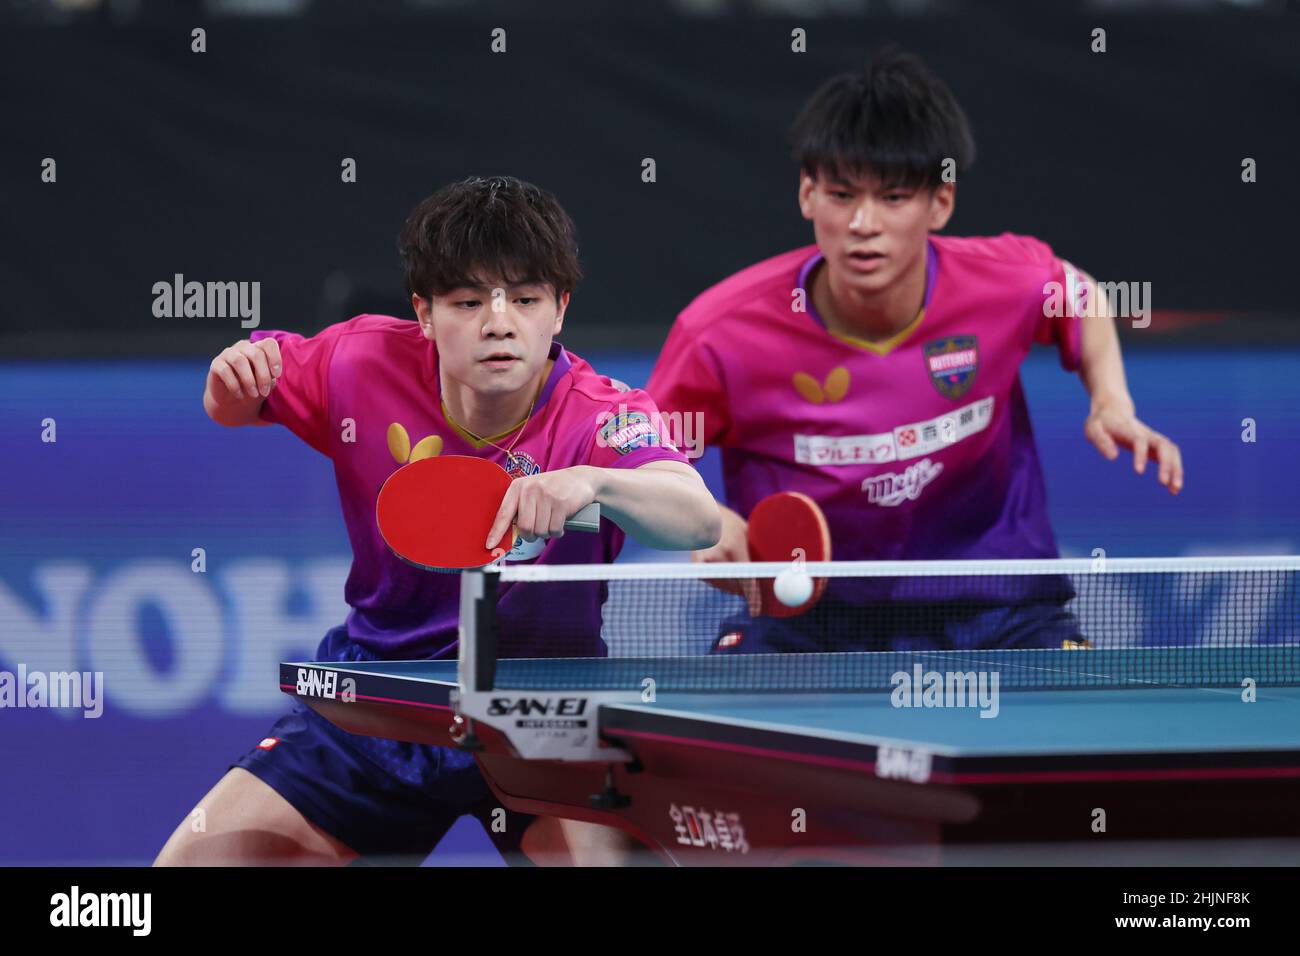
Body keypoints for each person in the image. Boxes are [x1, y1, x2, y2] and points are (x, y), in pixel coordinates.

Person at [156, 175, 721, 866]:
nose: (499, 322)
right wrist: (228, 381)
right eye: (467, 300)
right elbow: (234, 402)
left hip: (542, 715)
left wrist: (594, 480)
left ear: (560, 310)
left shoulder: (603, 416)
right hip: (382, 700)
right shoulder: (356, 362)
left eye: (525, 298)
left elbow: (696, 518)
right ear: (423, 312)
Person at [647, 51, 1184, 653]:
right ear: (807, 194)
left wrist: (1111, 400)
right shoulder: (719, 332)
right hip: (805, 615)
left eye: (895, 197)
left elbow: (1079, 294)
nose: (863, 223)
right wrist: (701, 519)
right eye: (842, 194)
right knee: (728, 739)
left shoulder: (1004, 282)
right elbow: (648, 459)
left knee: (1076, 740)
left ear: (941, 202)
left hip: (998, 604)